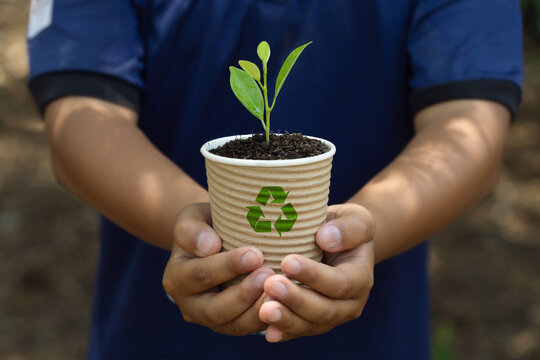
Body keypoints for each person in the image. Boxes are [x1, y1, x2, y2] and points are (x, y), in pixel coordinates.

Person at [27, 0, 523, 359]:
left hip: (371, 337)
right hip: (156, 333)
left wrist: (361, 232)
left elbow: (470, 126)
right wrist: (199, 234)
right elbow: (80, 119)